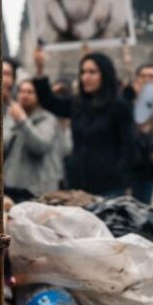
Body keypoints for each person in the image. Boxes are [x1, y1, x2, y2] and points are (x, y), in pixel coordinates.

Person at [33, 48, 134, 198]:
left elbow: (129, 147)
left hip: (109, 188)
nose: (86, 77)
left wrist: (120, 177)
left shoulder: (119, 106)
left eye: (92, 72)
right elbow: (50, 102)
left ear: (105, 74)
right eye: (83, 72)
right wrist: (40, 69)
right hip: (78, 186)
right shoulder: (77, 104)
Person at [3, 78, 64, 196]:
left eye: (30, 92)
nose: (24, 95)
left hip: (36, 190)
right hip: (12, 186)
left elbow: (40, 146)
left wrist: (22, 121)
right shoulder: (11, 116)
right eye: (21, 91)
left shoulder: (48, 119)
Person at [123, 63, 153, 204]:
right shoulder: (126, 103)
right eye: (143, 76)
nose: (146, 80)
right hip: (130, 169)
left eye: (151, 76)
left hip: (151, 171)